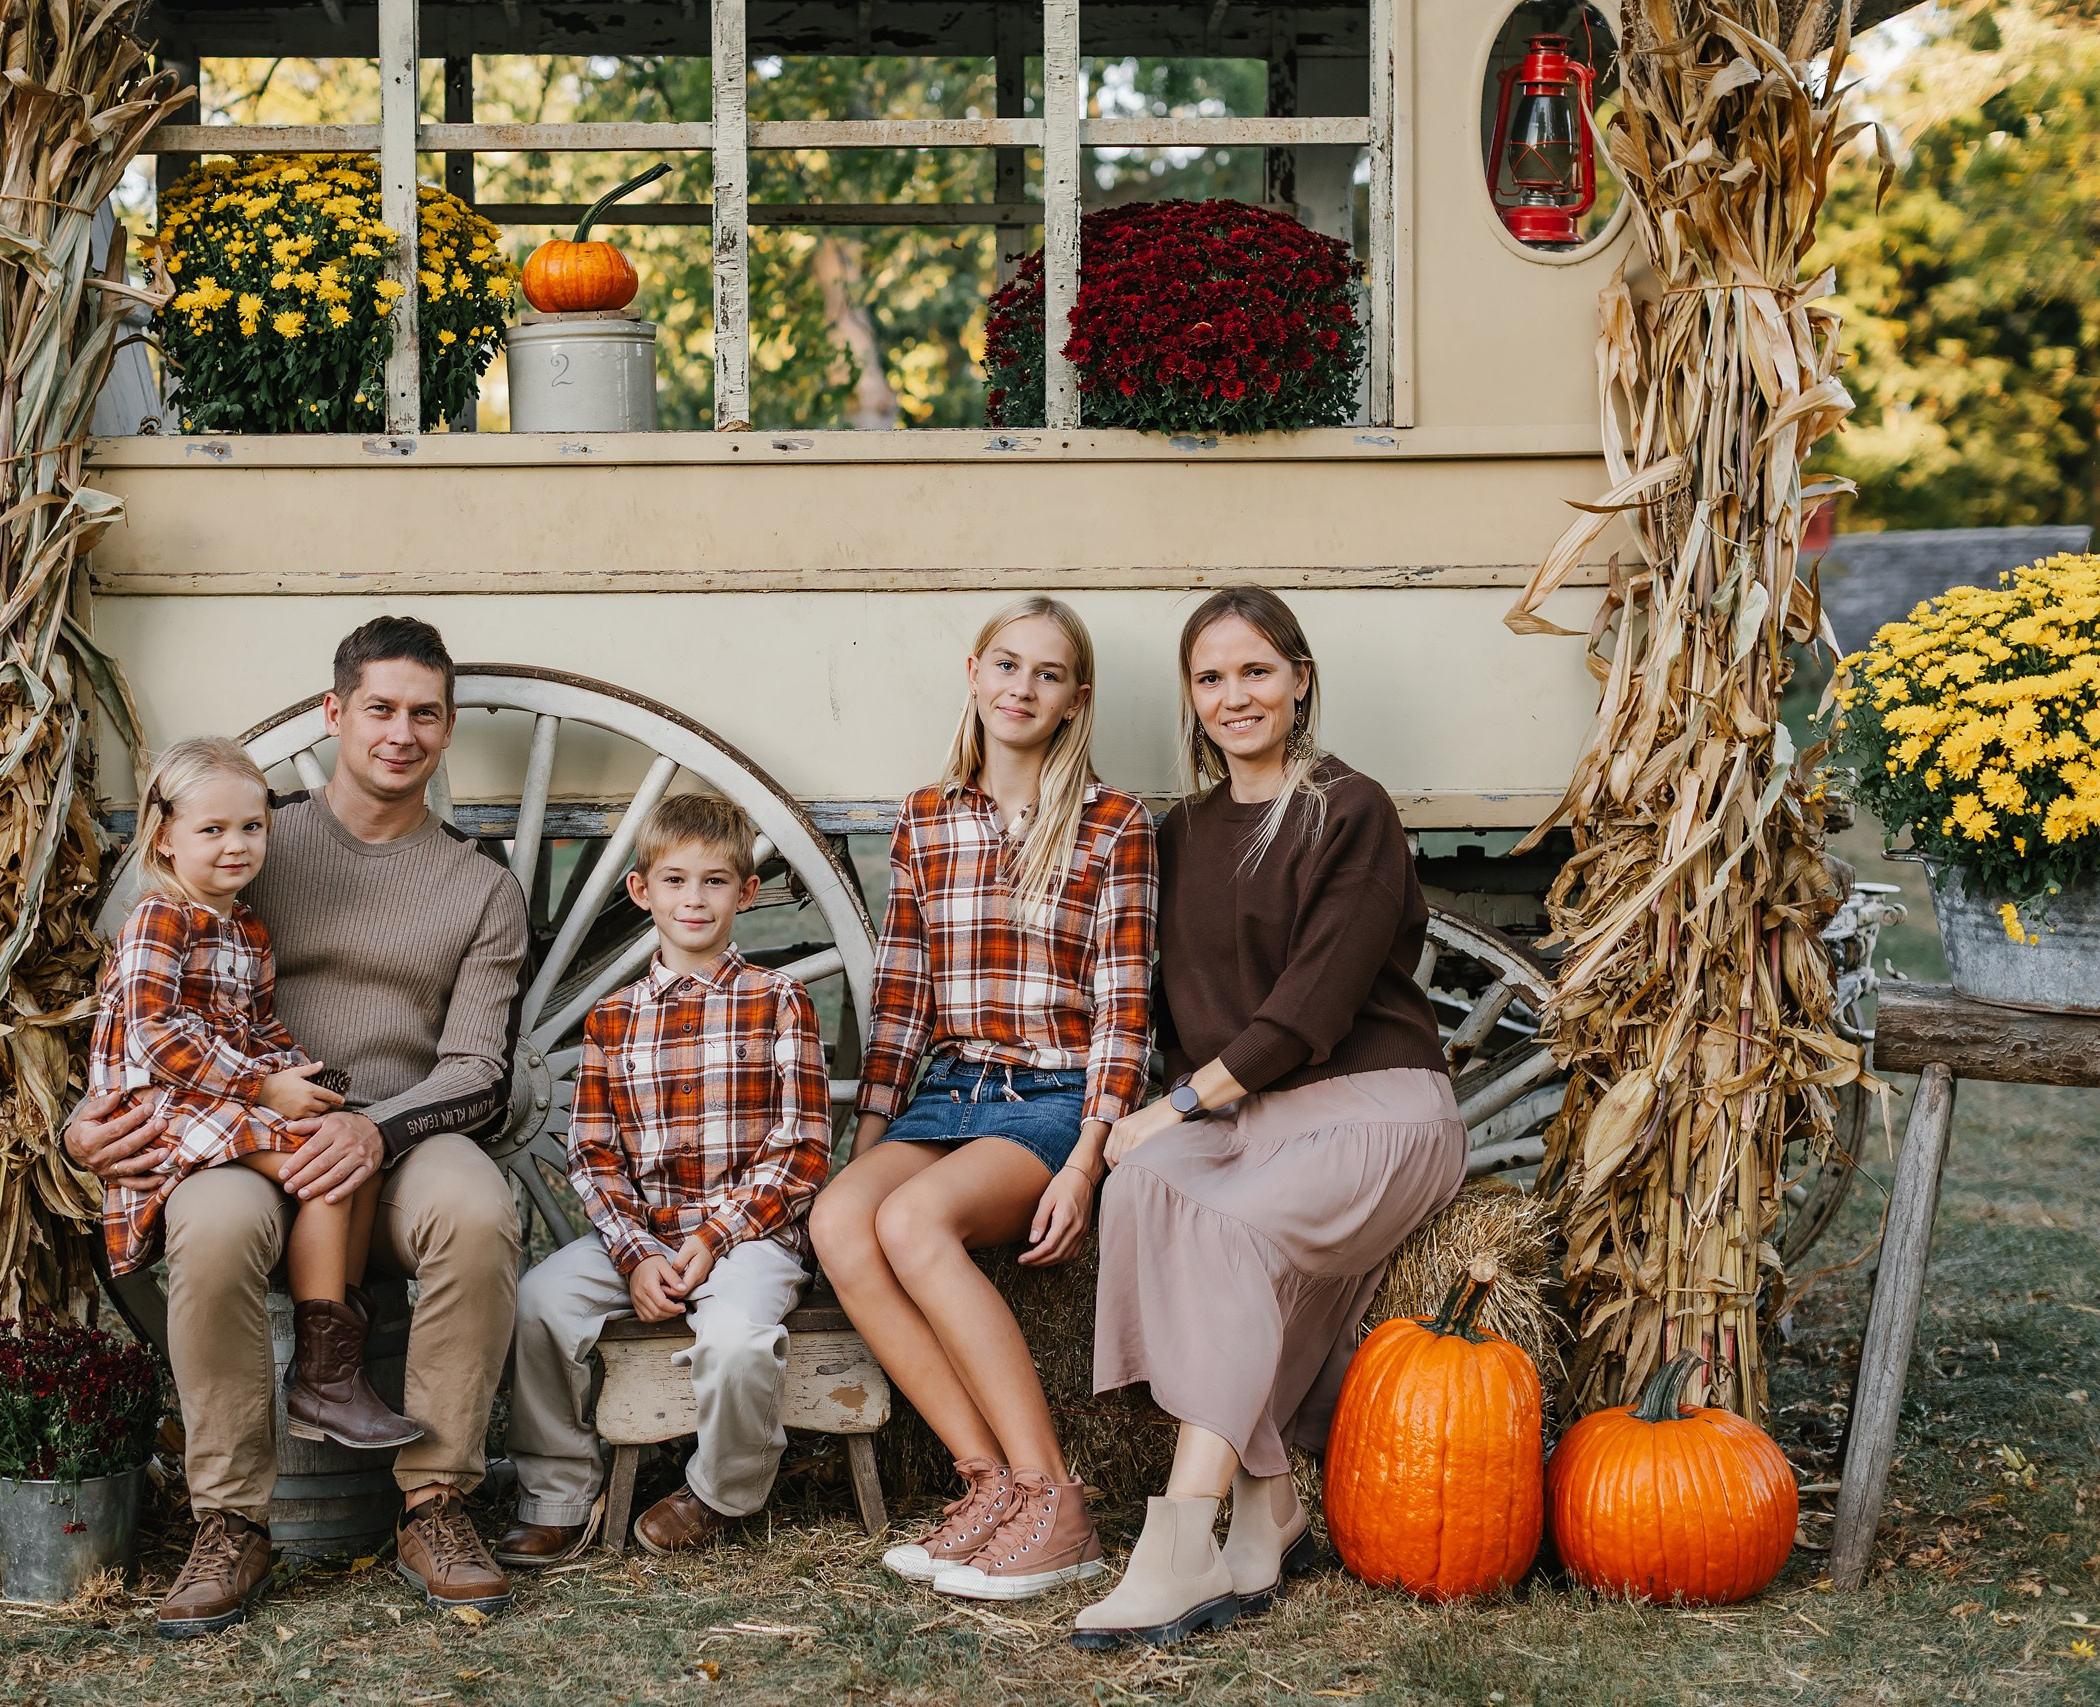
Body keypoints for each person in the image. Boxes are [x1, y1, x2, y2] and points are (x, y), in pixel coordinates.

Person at [63, 616, 530, 1639]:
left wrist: (376, 1133)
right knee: (219, 1226)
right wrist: (80, 1127)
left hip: (398, 1137)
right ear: (333, 714)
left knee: (477, 1208)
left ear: (448, 729)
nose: (399, 733)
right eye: (378, 709)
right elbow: (142, 1000)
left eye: (423, 714)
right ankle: (229, 1521)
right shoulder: (254, 839)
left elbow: (476, 1073)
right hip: (234, 1126)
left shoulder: (481, 886)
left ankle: (435, 1503)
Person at [1071, 585, 1465, 1650]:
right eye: (1210, 678)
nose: (1233, 696)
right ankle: (1273, 1495)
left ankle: (1179, 1539)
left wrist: (1180, 1103)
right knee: (1145, 1186)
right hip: (1249, 1118)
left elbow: (1317, 1005)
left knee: (1230, 1229)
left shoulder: (1350, 810)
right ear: (1190, 701)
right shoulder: (1180, 833)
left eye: (1255, 671)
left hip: (1373, 1105)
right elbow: (1135, 990)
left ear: (1298, 678)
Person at [810, 595, 1159, 1602]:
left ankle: (1059, 1502)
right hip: (949, 1090)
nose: (1021, 687)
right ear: (973, 673)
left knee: (915, 1222)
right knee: (843, 1220)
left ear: (1072, 701)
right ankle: (990, 1485)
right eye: (1006, 666)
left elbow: (1124, 1010)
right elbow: (903, 997)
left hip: (1052, 1096)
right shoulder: (926, 817)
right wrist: (870, 1133)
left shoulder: (1111, 824)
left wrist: (1088, 1163)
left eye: (1046, 675)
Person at [496, 793, 833, 1561]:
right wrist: (634, 1254)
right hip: (644, 1234)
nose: (694, 899)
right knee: (539, 1302)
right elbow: (593, 1154)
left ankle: (721, 1487)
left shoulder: (779, 1000)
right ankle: (557, 1491)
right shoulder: (612, 1019)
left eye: (715, 881)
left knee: (741, 1342)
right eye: (675, 880)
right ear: (641, 890)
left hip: (748, 1237)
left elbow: (804, 1147)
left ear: (746, 893)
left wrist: (717, 1236)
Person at [90, 735, 420, 1453]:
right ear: (165, 837)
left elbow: (259, 1025)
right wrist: (264, 1086)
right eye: (211, 829)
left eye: (251, 826)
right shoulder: (160, 918)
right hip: (165, 1108)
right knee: (324, 1168)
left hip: (220, 1100)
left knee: (350, 1152)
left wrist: (303, 1076)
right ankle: (324, 1377)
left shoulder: (244, 927)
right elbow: (153, 1037)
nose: (236, 845)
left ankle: (332, 1358)